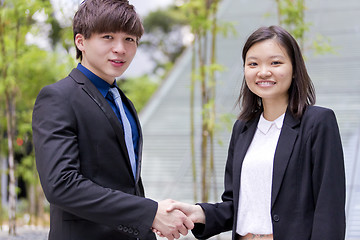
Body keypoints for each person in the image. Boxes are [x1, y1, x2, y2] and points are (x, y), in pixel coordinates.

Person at [161, 25, 346, 240]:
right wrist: (198, 213)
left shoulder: (317, 122)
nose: (263, 71)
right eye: (253, 64)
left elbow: (329, 209)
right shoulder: (243, 128)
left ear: (295, 68)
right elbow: (236, 205)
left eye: (275, 62)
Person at [32, 0, 193, 239]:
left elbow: (128, 184)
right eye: (108, 37)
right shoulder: (58, 97)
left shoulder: (123, 101)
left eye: (129, 39)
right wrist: (149, 212)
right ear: (81, 41)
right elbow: (62, 185)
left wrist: (148, 220)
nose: (120, 49)